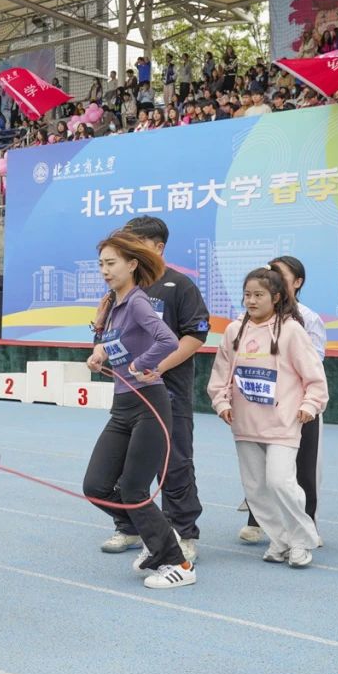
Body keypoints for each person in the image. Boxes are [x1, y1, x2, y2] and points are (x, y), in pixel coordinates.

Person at [93, 216, 209, 564]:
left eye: (134, 247)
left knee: (174, 465)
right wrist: (100, 351)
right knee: (121, 470)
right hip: (128, 395)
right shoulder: (116, 294)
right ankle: (130, 526)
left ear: (156, 248)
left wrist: (155, 366)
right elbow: (108, 339)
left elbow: (193, 336)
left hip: (166, 391)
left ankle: (183, 533)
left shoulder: (179, 286)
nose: (119, 259)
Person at [208, 268, 328, 568]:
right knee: (255, 490)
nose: (251, 301)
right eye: (247, 295)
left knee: (280, 482)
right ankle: (281, 540)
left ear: (276, 297)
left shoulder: (291, 331)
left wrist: (310, 405)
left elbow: (315, 377)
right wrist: (222, 403)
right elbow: (220, 375)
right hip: (245, 424)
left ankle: (301, 540)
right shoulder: (235, 331)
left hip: (284, 423)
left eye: (259, 295)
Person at [240, 256, 326, 542]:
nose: (270, 276)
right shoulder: (244, 321)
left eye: (278, 274)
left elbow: (313, 365)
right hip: (258, 406)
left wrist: (306, 404)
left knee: (301, 469)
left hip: (297, 407)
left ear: (296, 283)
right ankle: (259, 521)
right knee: (259, 471)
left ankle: (306, 525)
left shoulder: (307, 319)